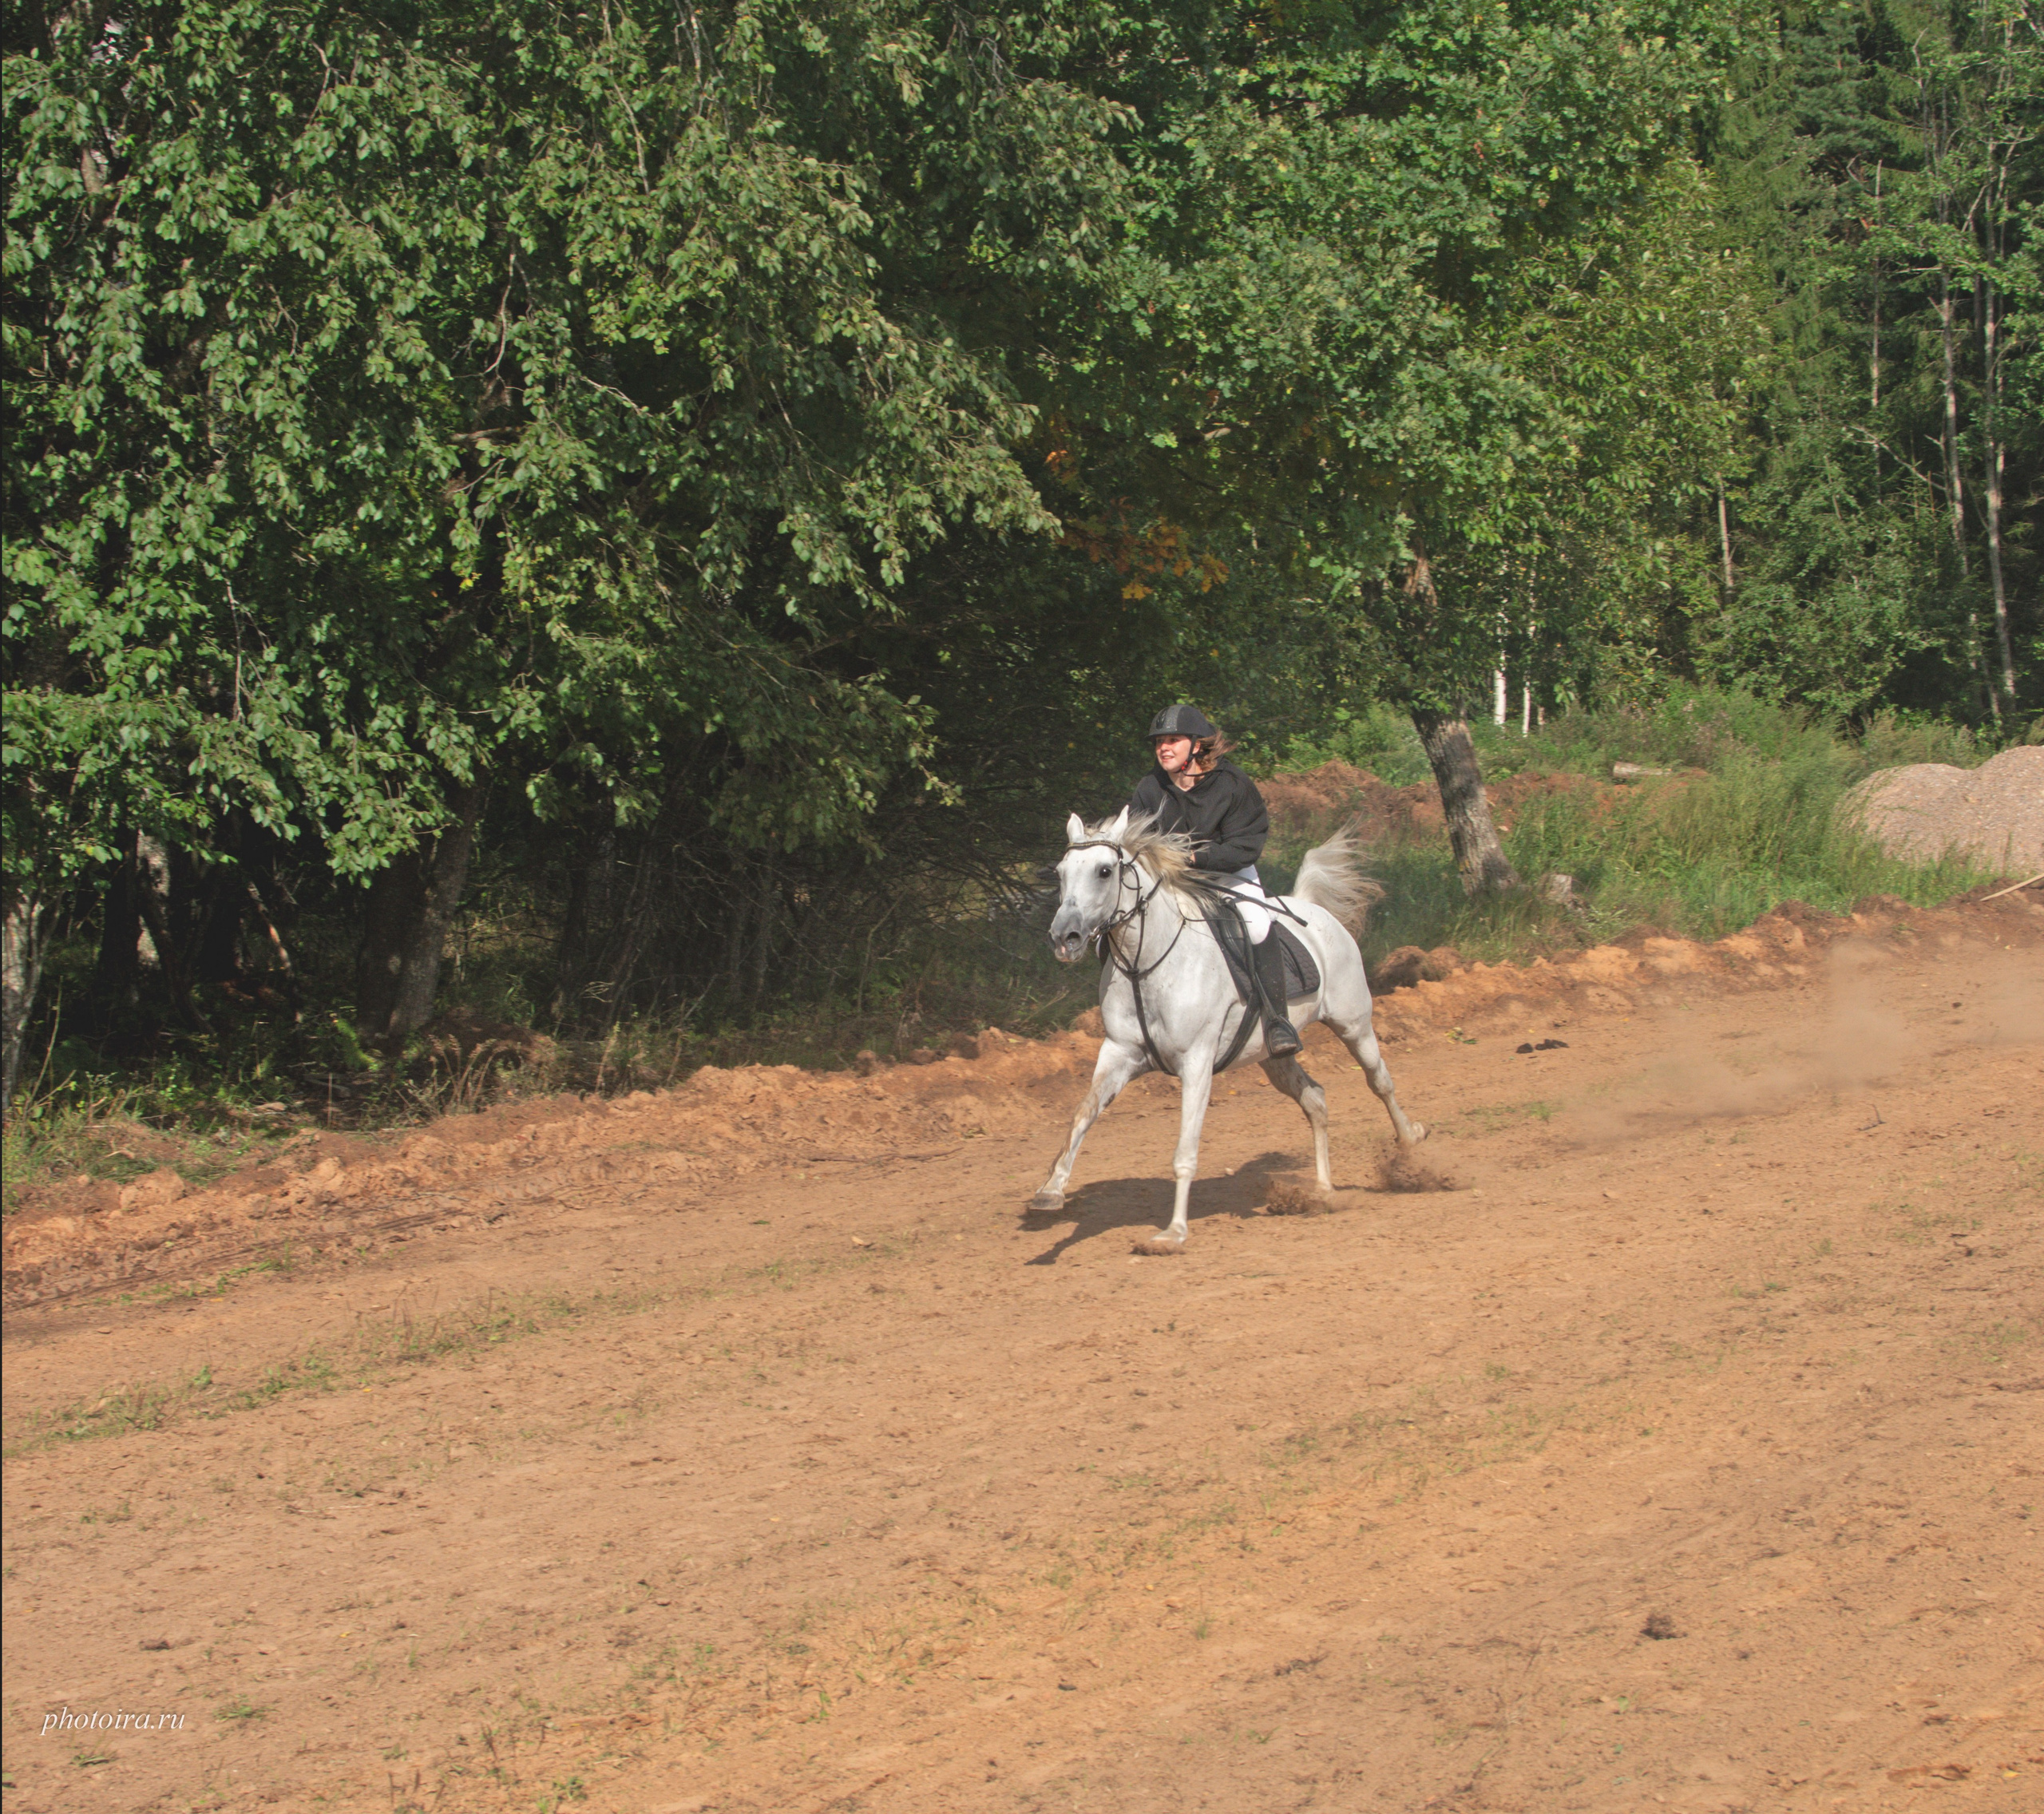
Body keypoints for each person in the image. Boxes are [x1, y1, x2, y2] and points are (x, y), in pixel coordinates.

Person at [1126, 704, 1301, 1058]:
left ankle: (1277, 1021)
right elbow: (1134, 842)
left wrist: (1196, 859)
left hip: (1230, 873)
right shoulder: (1149, 789)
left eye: (1173, 740)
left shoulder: (1233, 785)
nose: (1163, 747)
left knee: (1256, 924)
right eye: (1159, 741)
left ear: (1196, 745)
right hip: (1174, 882)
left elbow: (1245, 846)